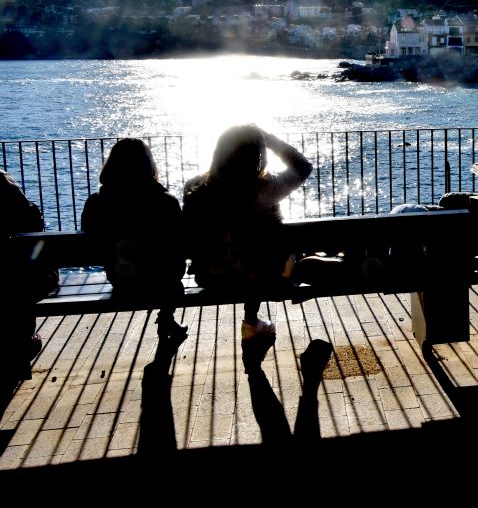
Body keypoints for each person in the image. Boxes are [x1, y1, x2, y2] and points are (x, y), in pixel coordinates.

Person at [183, 125, 313, 341]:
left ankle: (252, 321)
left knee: (247, 249)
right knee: (265, 249)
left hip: (210, 277)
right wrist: (270, 140)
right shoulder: (265, 187)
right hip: (261, 277)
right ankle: (251, 320)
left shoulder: (194, 188)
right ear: (258, 155)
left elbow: (190, 236)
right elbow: (303, 167)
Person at [81, 138, 188, 344]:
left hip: (123, 282)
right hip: (164, 284)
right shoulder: (166, 202)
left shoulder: (97, 203)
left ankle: (167, 320)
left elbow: (89, 235)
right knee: (171, 277)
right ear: (149, 166)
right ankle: (166, 318)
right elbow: (180, 245)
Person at [0, 170, 58, 385]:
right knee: (20, 287)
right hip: (25, 282)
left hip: (13, 282)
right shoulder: (23, 209)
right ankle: (22, 347)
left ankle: (18, 347)